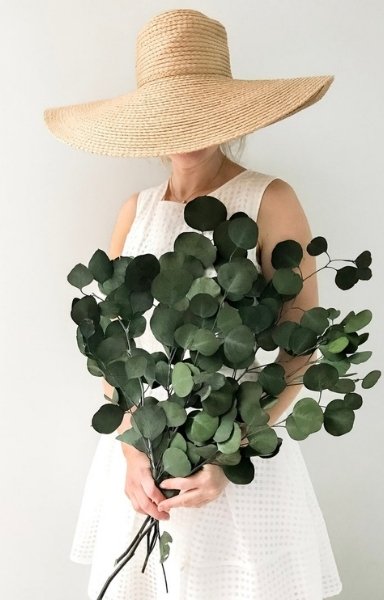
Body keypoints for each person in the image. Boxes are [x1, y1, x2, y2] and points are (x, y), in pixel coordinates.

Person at [43, 8, 343, 600]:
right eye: (171, 118)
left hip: (237, 455)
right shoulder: (136, 208)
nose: (185, 133)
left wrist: (233, 452)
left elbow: (300, 338)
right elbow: (113, 346)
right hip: (142, 458)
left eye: (199, 115)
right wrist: (131, 446)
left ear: (227, 115)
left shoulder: (268, 198)